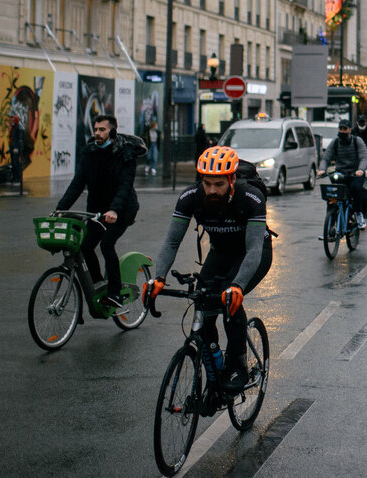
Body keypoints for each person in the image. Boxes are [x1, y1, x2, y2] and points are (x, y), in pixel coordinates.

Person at [144, 145, 273, 393]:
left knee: (229, 298)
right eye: (207, 183)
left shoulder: (251, 198)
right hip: (221, 252)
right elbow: (172, 242)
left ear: (232, 179)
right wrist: (158, 278)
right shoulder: (190, 197)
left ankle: (237, 363)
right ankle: (214, 371)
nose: (212, 190)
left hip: (252, 253)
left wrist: (237, 286)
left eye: (218, 184)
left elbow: (255, 248)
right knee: (202, 308)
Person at [56, 114, 139, 307]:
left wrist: (115, 210)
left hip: (122, 209)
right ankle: (99, 284)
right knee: (85, 247)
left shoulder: (125, 153)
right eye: (96, 129)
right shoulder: (90, 152)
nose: (97, 133)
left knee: (106, 244)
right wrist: (61, 208)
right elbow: (77, 184)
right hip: (97, 211)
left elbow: (124, 186)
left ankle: (115, 293)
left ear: (112, 131)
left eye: (102, 129)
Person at [320, 119, 367, 231]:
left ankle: (358, 214)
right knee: (332, 195)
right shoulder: (335, 142)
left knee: (355, 188)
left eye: (345, 129)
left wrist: (360, 170)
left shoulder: (357, 141)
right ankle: (331, 225)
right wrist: (322, 169)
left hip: (355, 174)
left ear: (350, 130)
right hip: (340, 174)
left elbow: (364, 157)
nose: (342, 131)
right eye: (340, 129)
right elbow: (326, 157)